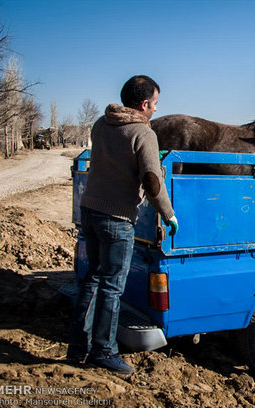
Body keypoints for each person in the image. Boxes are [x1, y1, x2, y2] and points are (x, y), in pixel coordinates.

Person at [67, 75, 178, 374]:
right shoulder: (143, 133)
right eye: (154, 103)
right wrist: (168, 215)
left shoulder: (101, 124)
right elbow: (153, 182)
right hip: (116, 219)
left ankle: (78, 346)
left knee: (91, 279)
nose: (156, 109)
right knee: (112, 287)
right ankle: (104, 351)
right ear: (143, 104)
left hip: (89, 209)